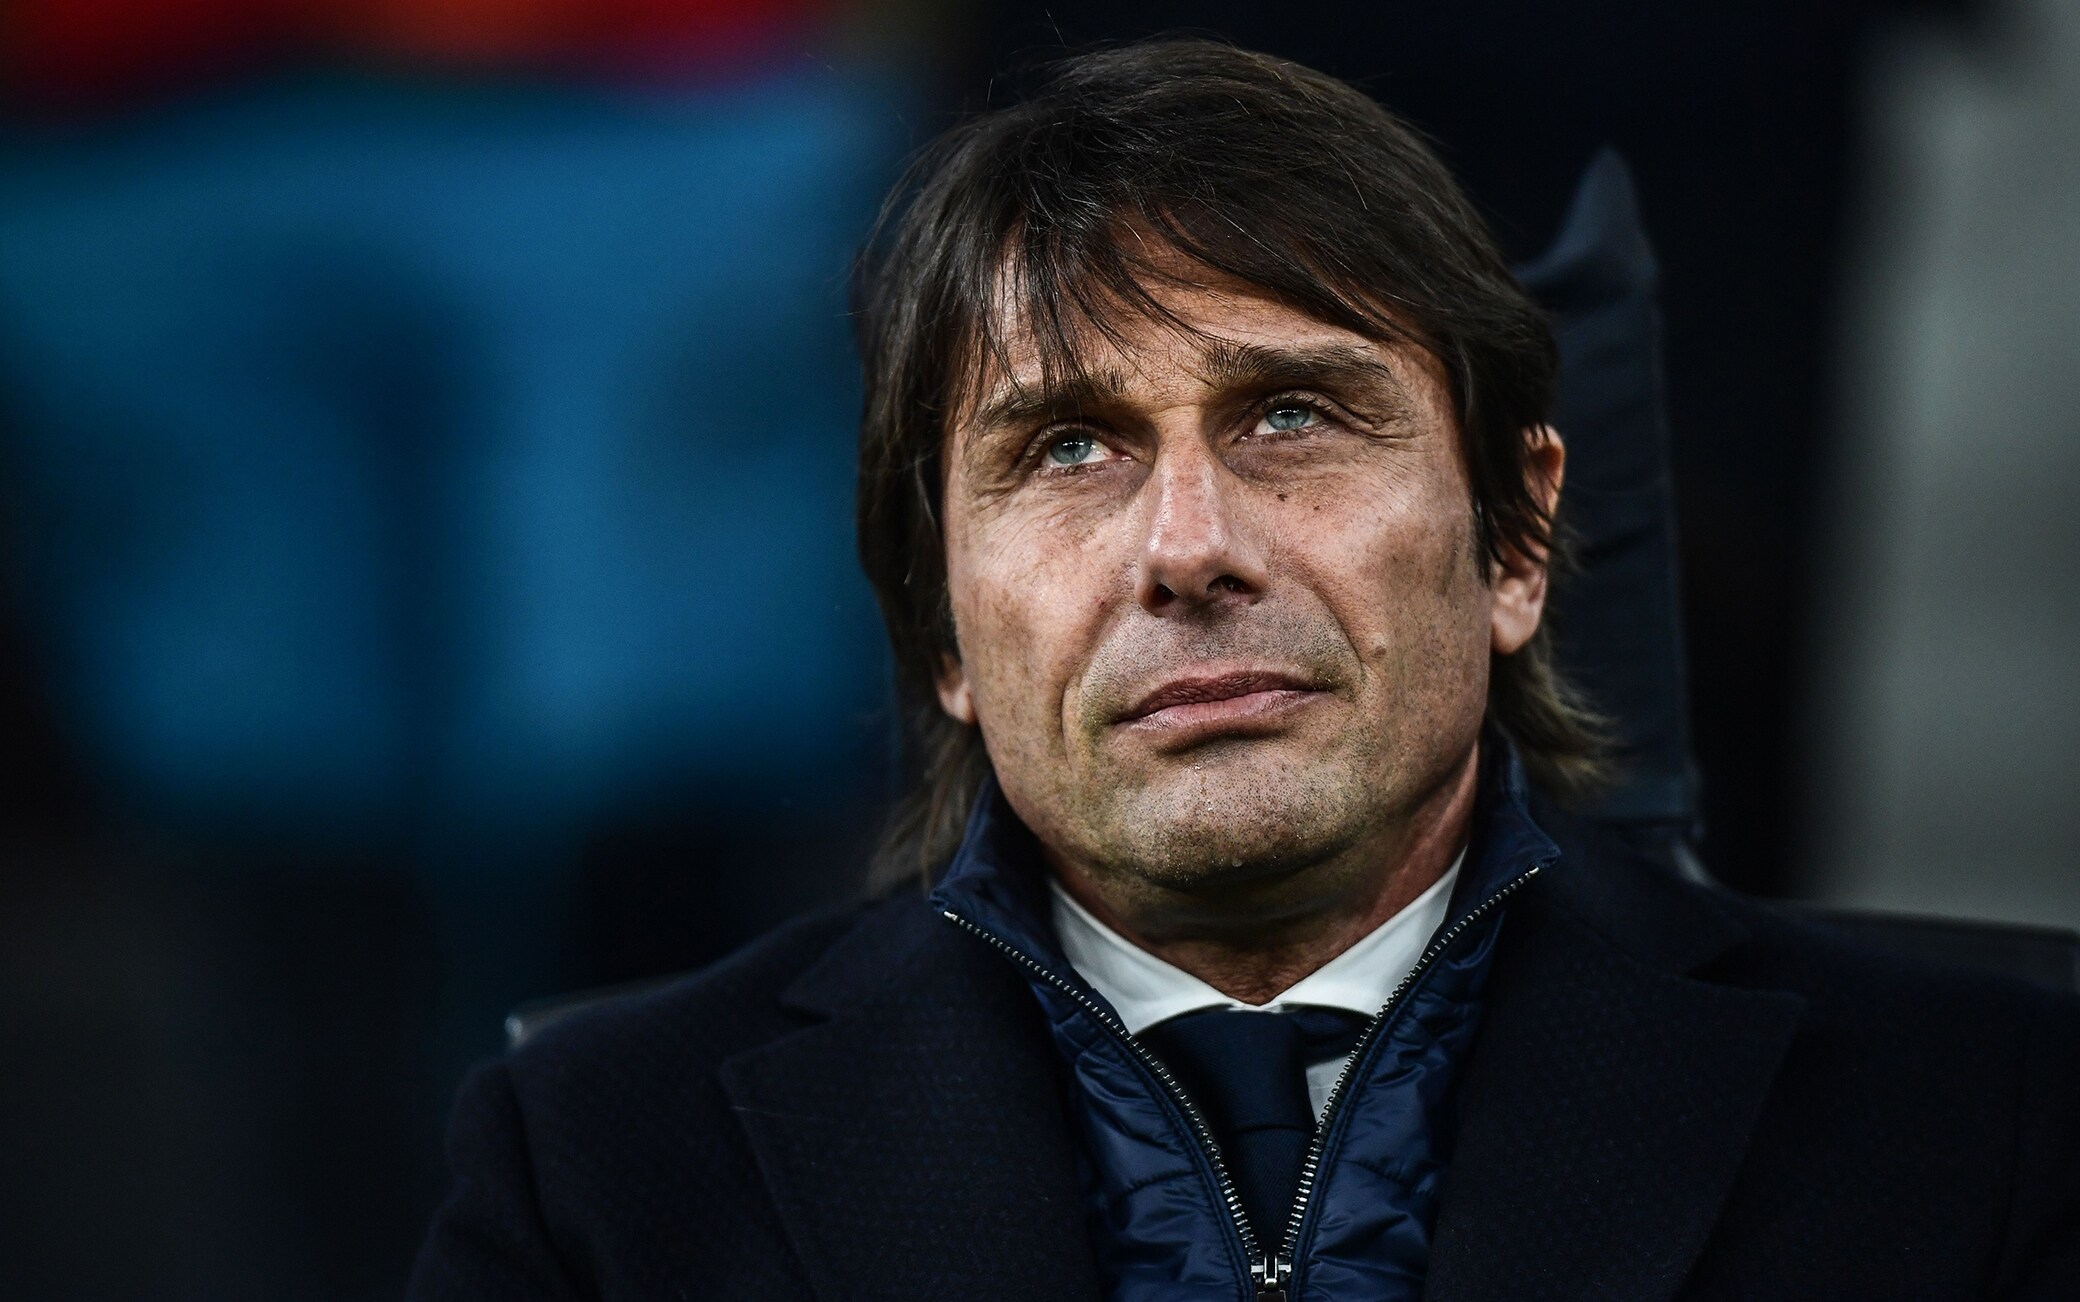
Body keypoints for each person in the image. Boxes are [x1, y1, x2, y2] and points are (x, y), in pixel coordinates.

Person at [406, 39, 2080, 1301]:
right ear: (943, 632)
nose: (1189, 545)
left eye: (1290, 415)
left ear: (1514, 542)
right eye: (1068, 447)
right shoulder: (600, 1172)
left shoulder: (1976, 1124)